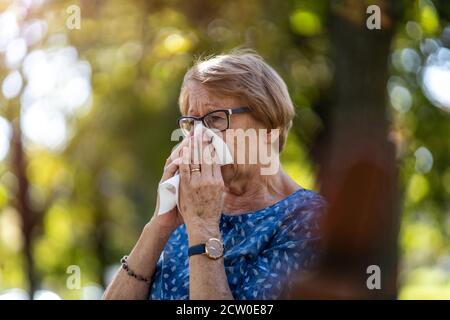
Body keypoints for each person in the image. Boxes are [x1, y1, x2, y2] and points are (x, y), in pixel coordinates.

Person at [103, 49, 326, 300]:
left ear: (268, 125)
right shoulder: (183, 214)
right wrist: (158, 225)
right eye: (192, 123)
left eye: (215, 119)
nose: (198, 137)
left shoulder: (309, 220)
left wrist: (203, 227)